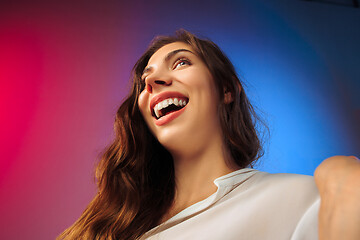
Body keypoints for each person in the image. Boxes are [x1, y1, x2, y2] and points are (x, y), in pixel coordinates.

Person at [58, 30, 360, 240]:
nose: (152, 82)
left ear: (226, 90)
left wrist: (344, 178)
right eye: (145, 80)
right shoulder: (116, 220)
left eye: (181, 62)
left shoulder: (303, 198)